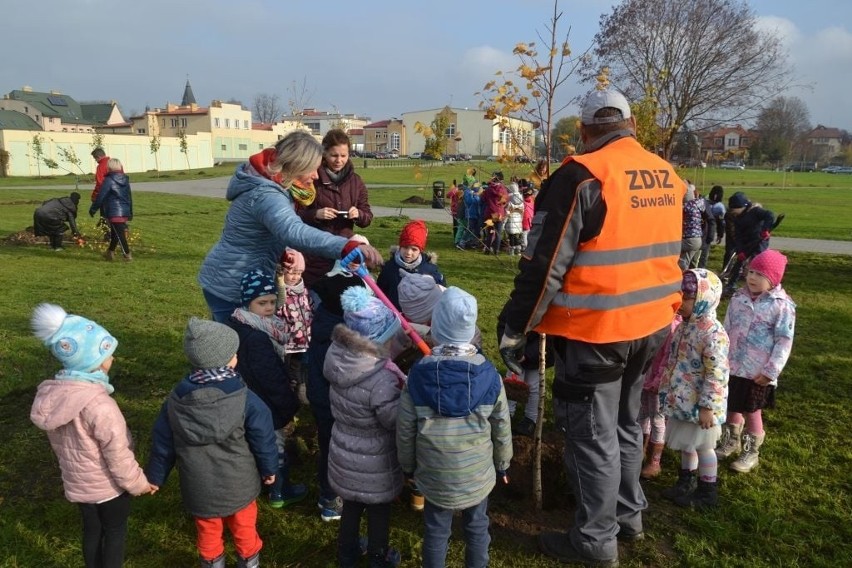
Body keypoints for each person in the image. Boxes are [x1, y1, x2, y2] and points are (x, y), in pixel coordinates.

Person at [499, 88, 683, 566]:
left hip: (597, 331)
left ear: (583, 132)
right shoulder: (666, 174)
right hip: (653, 324)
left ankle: (595, 540)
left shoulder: (581, 175)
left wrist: (517, 326)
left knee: (591, 435)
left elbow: (544, 265)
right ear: (632, 125)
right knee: (625, 421)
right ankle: (628, 515)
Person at [198, 131, 382, 323]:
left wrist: (280, 250)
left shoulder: (272, 187)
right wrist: (346, 247)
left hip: (234, 277)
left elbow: (263, 231)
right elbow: (293, 230)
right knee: (236, 347)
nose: (315, 176)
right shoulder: (267, 195)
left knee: (244, 343)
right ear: (296, 165)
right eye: (312, 169)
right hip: (231, 282)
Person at [146, 317, 278, 568]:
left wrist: (155, 476)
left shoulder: (174, 401)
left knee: (208, 533)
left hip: (199, 487)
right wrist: (270, 469)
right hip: (239, 484)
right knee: (244, 528)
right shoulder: (247, 399)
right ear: (230, 360)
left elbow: (163, 443)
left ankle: (212, 564)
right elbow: (263, 438)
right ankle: (249, 562)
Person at [29, 303, 154, 568]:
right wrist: (138, 483)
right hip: (109, 487)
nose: (113, 359)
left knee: (92, 530)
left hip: (78, 483)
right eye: (107, 354)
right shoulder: (99, 405)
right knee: (115, 532)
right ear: (91, 362)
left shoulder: (56, 395)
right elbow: (117, 452)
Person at [397, 287, 513, 568]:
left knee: (436, 531)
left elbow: (405, 429)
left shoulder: (417, 377)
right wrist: (503, 464)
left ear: (435, 327)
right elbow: (501, 424)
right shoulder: (490, 377)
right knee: (476, 528)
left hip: (434, 474)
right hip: (476, 475)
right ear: (471, 329)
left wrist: (408, 467)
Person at [325, 286, 407, 568]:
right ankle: (377, 556)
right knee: (378, 511)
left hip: (344, 448)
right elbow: (392, 419)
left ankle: (346, 554)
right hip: (375, 459)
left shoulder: (338, 358)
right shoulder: (381, 379)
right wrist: (406, 399)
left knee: (350, 506)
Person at [228, 269, 306, 509]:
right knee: (275, 445)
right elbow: (269, 377)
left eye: (273, 302)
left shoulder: (246, 324)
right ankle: (279, 490)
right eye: (262, 303)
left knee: (261, 444)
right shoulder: (258, 337)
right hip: (266, 403)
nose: (270, 307)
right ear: (247, 303)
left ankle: (264, 482)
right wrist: (288, 404)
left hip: (251, 399)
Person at [305, 238, 370, 522]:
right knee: (347, 449)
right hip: (349, 408)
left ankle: (330, 497)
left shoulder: (319, 329)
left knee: (329, 445)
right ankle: (340, 495)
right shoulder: (352, 340)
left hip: (325, 404)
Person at [718, 249, 796, 474]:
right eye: (750, 272)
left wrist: (772, 370)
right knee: (731, 405)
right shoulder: (738, 298)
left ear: (773, 280)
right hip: (732, 365)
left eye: (760, 275)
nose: (752, 277)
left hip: (757, 371)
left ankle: (751, 452)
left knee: (752, 411)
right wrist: (721, 354)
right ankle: (731, 440)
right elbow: (727, 327)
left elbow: (784, 340)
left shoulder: (782, 306)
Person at [658, 269, 729, 509]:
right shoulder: (686, 325)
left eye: (686, 298)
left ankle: (707, 490)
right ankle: (685, 481)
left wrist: (708, 405)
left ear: (702, 300)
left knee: (704, 447)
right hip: (684, 400)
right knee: (688, 445)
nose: (680, 302)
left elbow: (717, 373)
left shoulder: (712, 333)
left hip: (701, 405)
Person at [296, 129, 374, 287]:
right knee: (316, 296)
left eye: (343, 156)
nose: (339, 160)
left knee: (343, 298)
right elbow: (295, 214)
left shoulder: (356, 182)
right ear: (324, 153)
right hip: (316, 253)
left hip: (345, 252)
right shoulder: (312, 178)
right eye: (334, 155)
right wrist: (316, 214)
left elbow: (367, 218)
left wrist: (358, 214)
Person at [637, 313, 682, 479]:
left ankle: (654, 460)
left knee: (657, 418)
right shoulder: (652, 319)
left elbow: (668, 358)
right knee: (641, 414)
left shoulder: (671, 327)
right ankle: (639, 450)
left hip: (659, 383)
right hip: (645, 377)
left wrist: (658, 380)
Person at [376, 219, 446, 311]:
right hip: (394, 315)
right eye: (405, 247)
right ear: (400, 246)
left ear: (420, 250)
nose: (408, 253)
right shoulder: (389, 268)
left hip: (419, 318)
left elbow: (440, 291)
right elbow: (380, 292)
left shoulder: (429, 270)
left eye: (414, 249)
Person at [275, 248, 313, 404]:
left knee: (299, 366)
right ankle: (287, 393)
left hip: (302, 339)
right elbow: (279, 304)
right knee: (285, 368)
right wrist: (280, 283)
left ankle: (299, 388)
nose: (295, 277)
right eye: (291, 272)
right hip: (287, 340)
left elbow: (308, 308)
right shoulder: (280, 291)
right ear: (282, 271)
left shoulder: (302, 289)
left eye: (299, 273)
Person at [722, 191, 775, 296]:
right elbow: (737, 236)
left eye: (734, 210)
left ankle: (761, 287)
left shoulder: (755, 211)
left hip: (759, 243)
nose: (732, 212)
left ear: (741, 207)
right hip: (747, 244)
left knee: (756, 264)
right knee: (739, 263)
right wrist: (740, 250)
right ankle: (731, 285)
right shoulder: (737, 219)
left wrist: (765, 229)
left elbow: (770, 215)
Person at [89, 158, 134, 261]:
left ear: (109, 167)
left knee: (119, 234)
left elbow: (101, 196)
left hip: (114, 211)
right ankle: (110, 253)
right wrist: (130, 212)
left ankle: (127, 255)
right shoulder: (125, 180)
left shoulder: (108, 180)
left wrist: (93, 209)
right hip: (124, 211)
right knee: (115, 233)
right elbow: (129, 196)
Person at [698, 185, 725, 269]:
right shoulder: (719, 207)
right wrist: (720, 235)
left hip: (697, 231)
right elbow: (721, 222)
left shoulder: (702, 201)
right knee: (703, 256)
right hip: (707, 233)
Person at [481, 173, 508, 255]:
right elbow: (505, 201)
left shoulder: (488, 189)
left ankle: (487, 249)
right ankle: (496, 250)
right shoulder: (503, 189)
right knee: (498, 233)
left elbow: (483, 199)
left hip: (489, 212)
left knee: (490, 232)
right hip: (499, 213)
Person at [679, 182, 704, 270]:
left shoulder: (687, 206)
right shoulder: (697, 204)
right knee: (685, 261)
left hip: (690, 239)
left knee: (671, 247)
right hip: (698, 239)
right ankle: (686, 279)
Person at [505, 181, 525, 256]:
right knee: (516, 235)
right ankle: (518, 250)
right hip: (518, 220)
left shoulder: (510, 202)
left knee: (511, 236)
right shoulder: (521, 202)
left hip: (511, 220)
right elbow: (523, 211)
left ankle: (512, 251)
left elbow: (507, 212)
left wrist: (504, 221)